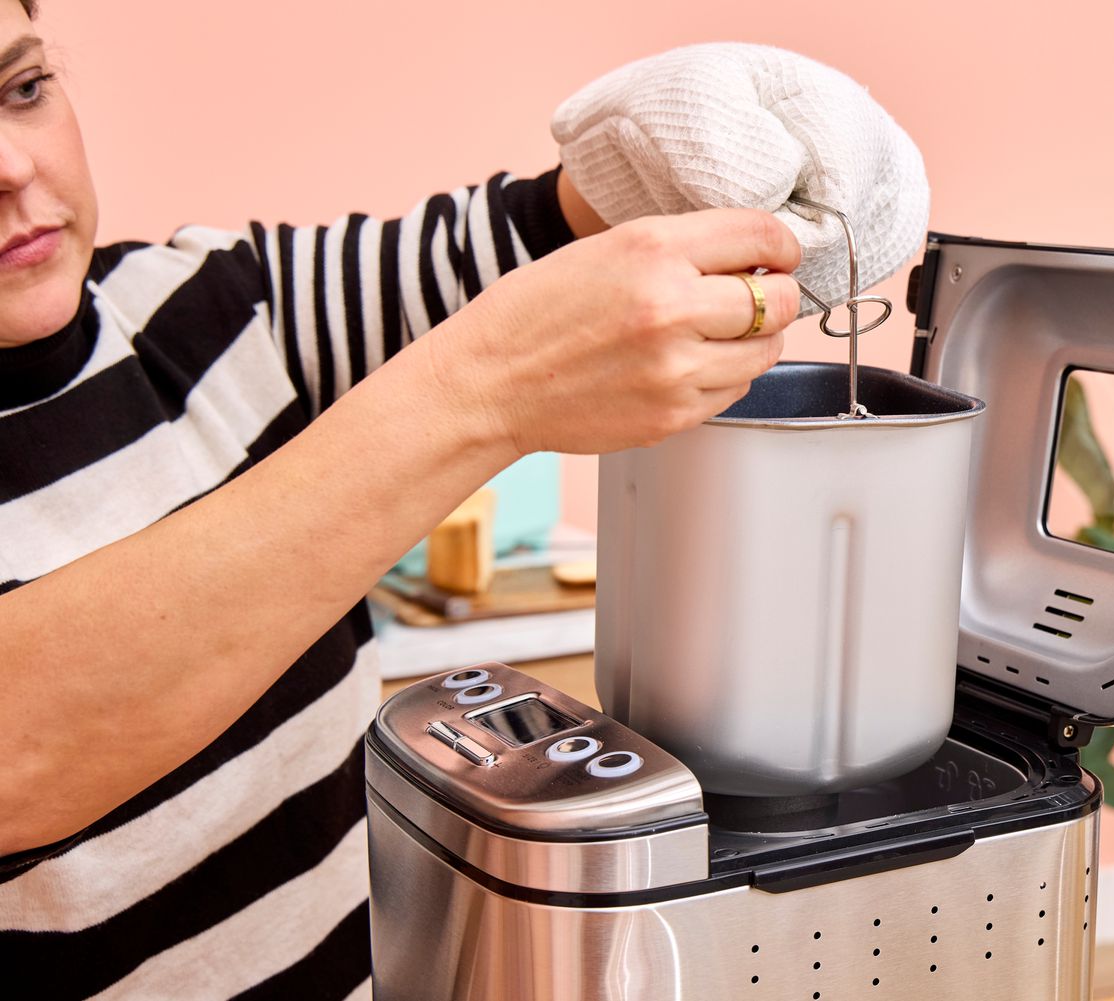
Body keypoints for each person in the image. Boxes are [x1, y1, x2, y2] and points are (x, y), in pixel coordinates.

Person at [0, 2, 806, 997]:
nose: (11, 165)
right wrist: (483, 390)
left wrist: (685, 139)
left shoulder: (207, 308)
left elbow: (532, 236)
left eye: (23, 88)